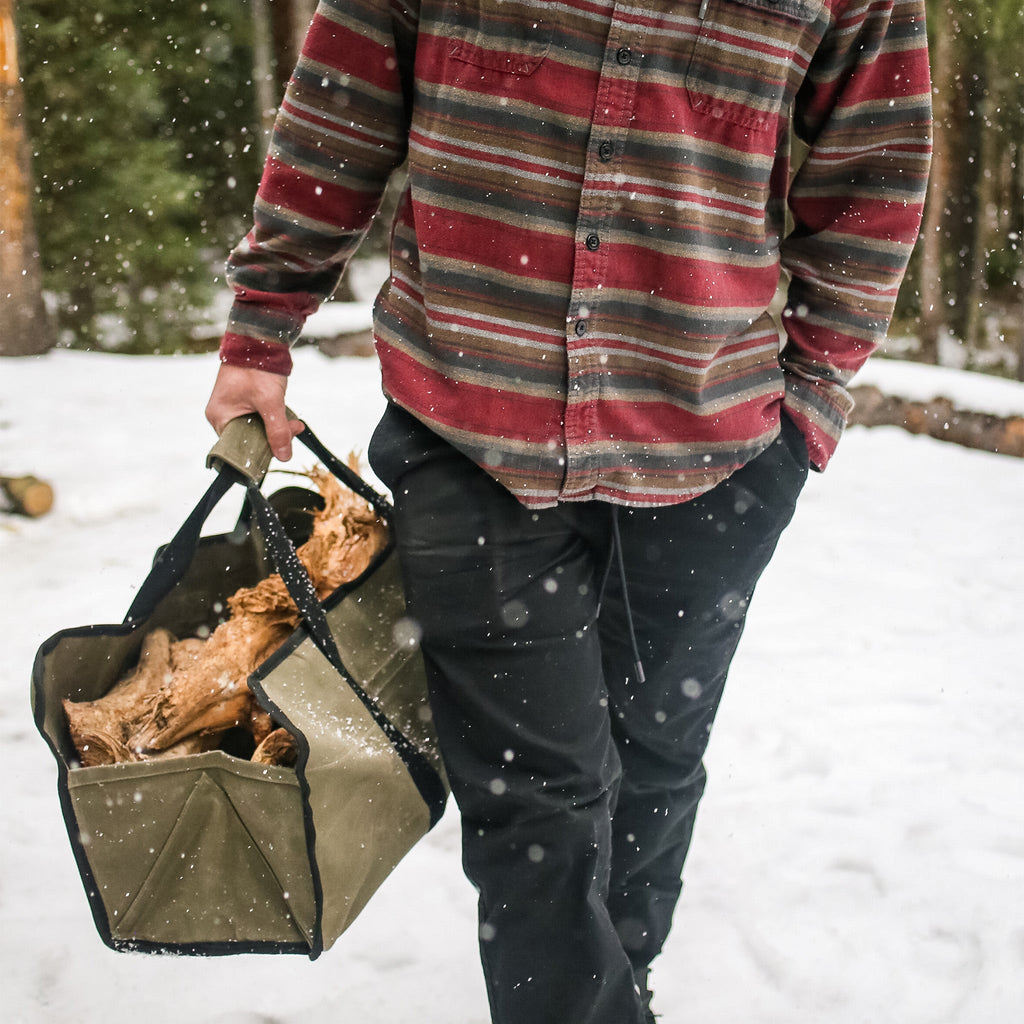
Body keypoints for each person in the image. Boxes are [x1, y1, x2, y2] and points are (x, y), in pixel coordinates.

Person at [206, 2, 931, 1020]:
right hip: (471, 431)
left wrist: (807, 405)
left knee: (653, 760)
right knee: (533, 804)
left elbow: (877, 168)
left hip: (712, 449)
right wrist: (261, 328)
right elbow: (343, 103)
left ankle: (618, 983)